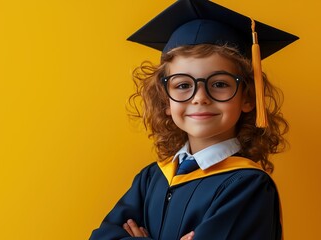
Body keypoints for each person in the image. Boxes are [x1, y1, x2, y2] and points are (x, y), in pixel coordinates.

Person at [90, 0, 298, 239]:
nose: (200, 98)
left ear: (248, 98)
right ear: (165, 101)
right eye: (183, 85)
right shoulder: (150, 179)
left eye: (219, 84)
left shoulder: (248, 186)